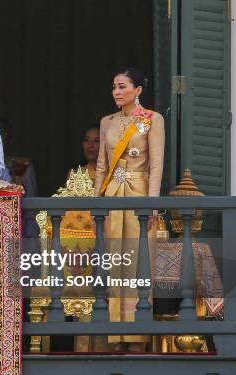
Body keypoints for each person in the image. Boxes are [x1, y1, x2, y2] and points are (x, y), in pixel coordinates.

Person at [93, 68, 165, 352]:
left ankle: (137, 338)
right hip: (112, 196)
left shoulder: (152, 120)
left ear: (138, 90)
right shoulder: (107, 122)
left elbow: (156, 164)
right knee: (114, 265)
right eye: (114, 87)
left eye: (122, 87)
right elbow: (101, 164)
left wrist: (153, 204)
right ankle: (115, 337)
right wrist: (97, 201)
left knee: (138, 264)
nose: (116, 92)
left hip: (139, 195)